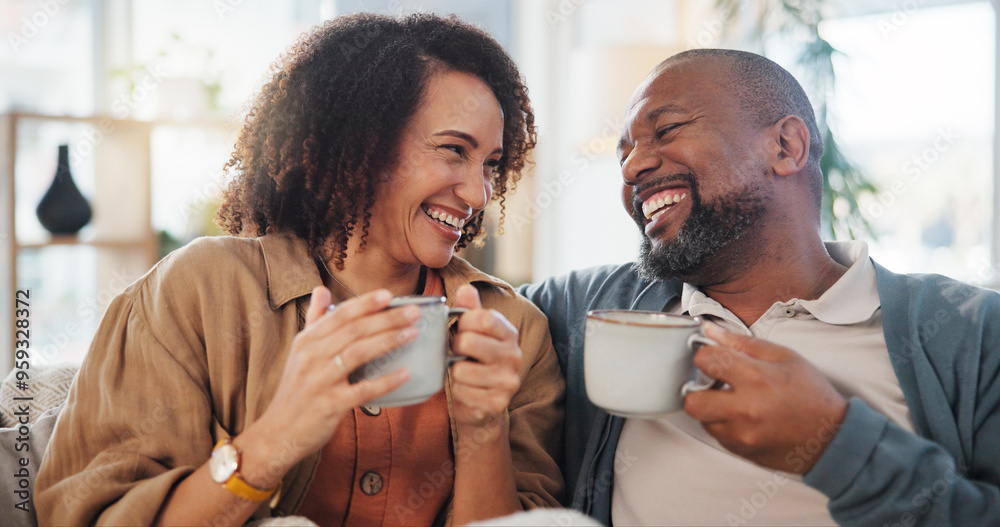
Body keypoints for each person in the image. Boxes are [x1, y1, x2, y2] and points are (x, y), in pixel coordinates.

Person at [36, 13, 564, 526]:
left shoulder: (513, 329)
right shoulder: (197, 292)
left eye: (491, 164)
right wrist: (277, 437)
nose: (479, 193)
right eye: (453, 150)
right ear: (363, 143)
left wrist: (482, 428)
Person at [520, 48, 1000, 526]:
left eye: (665, 131)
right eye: (624, 153)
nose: (630, 169)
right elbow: (461, 297)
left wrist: (835, 443)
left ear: (786, 147)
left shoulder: (972, 332)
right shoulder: (592, 307)